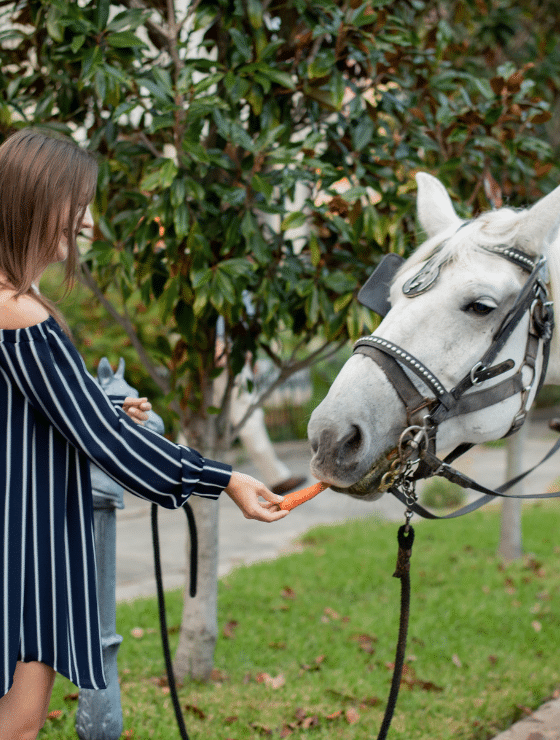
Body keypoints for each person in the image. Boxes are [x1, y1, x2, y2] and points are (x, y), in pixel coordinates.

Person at [0, 128, 289, 740]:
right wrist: (225, 479)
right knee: (17, 727)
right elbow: (105, 442)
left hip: (17, 541)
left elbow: (45, 417)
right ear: (34, 201)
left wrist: (100, 409)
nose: (83, 218)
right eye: (75, 202)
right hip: (23, 554)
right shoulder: (18, 314)